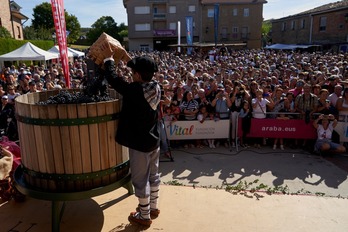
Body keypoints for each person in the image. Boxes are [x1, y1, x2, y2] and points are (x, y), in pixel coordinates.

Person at [103, 54, 161, 227]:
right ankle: (153, 207)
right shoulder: (155, 86)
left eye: (132, 72)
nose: (131, 75)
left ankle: (143, 216)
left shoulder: (136, 90)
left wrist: (109, 62)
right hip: (154, 141)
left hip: (140, 144)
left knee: (140, 181)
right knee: (154, 175)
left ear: (137, 75)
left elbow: (114, 80)